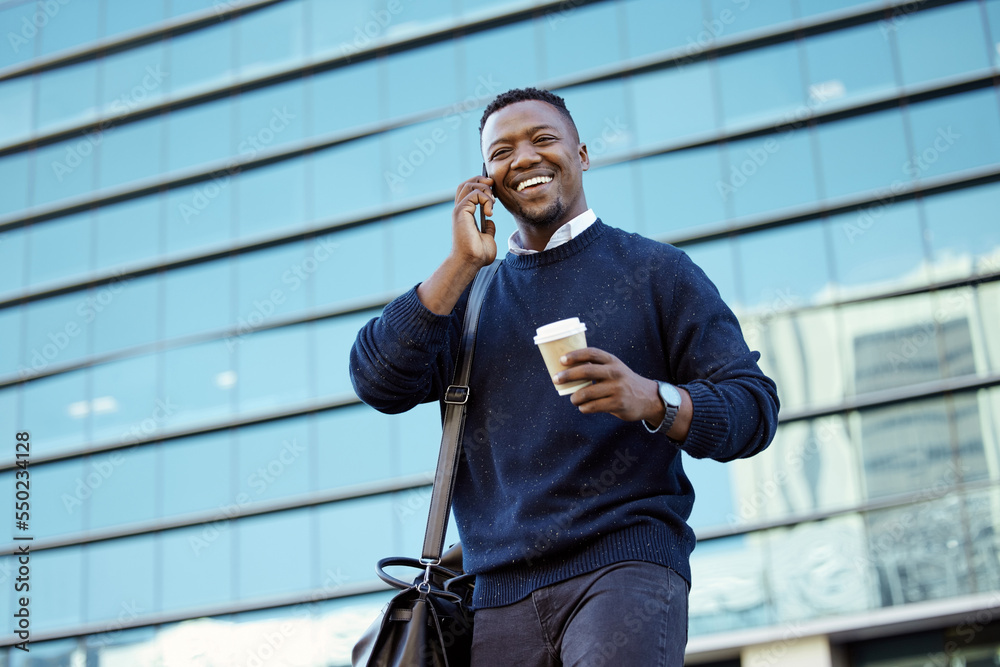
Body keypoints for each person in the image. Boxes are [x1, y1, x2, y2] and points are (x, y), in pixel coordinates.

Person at [350, 87, 779, 666]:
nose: (523, 157)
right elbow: (378, 380)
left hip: (625, 565)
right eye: (501, 151)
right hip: (497, 597)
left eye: (543, 139)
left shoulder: (657, 271)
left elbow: (752, 409)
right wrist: (459, 265)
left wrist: (654, 399)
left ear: (581, 153)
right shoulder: (471, 298)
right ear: (487, 181)